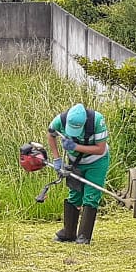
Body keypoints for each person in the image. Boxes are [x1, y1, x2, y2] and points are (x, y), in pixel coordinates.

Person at [47, 103, 110, 244]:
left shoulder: (97, 121)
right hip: (75, 162)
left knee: (91, 195)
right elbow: (51, 135)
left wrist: (75, 146)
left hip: (97, 162)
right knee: (74, 194)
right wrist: (57, 159)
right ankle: (68, 232)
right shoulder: (60, 120)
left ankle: (84, 235)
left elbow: (100, 149)